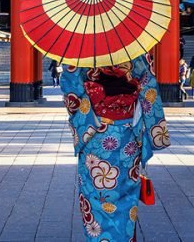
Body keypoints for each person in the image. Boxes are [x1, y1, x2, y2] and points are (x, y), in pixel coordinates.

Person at [59, 54, 170, 241]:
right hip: (128, 134)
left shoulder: (78, 51)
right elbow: (148, 86)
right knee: (126, 195)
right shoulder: (134, 48)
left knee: (95, 196)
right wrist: (153, 129)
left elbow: (71, 91)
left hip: (95, 133)